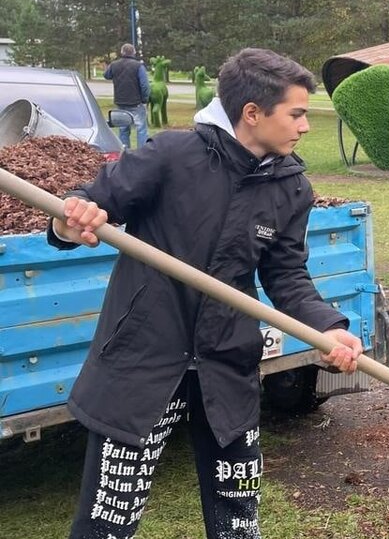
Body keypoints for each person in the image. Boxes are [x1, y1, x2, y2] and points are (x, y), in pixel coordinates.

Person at [50, 48, 363, 539]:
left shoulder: (291, 187)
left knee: (238, 523)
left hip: (226, 363)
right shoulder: (172, 155)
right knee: (106, 524)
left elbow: (287, 277)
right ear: (253, 114)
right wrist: (72, 220)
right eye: (297, 114)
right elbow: (87, 204)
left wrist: (328, 327)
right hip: (143, 360)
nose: (305, 126)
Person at [103, 43, 151, 148]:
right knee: (141, 129)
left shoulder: (114, 65)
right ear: (134, 52)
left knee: (123, 129)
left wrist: (107, 66)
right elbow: (144, 85)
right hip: (136, 102)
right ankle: (142, 152)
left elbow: (106, 75)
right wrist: (145, 99)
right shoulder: (138, 66)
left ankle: (125, 152)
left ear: (122, 52)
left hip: (120, 101)